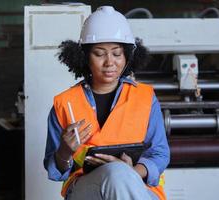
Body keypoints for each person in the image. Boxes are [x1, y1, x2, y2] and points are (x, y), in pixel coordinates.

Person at [44, 6, 170, 200]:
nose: (109, 62)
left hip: (139, 187)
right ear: (85, 57)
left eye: (117, 54)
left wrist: (132, 172)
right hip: (86, 190)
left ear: (127, 56)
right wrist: (64, 151)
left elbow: (160, 153)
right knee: (116, 174)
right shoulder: (64, 104)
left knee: (120, 175)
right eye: (100, 53)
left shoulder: (145, 98)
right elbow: (55, 170)